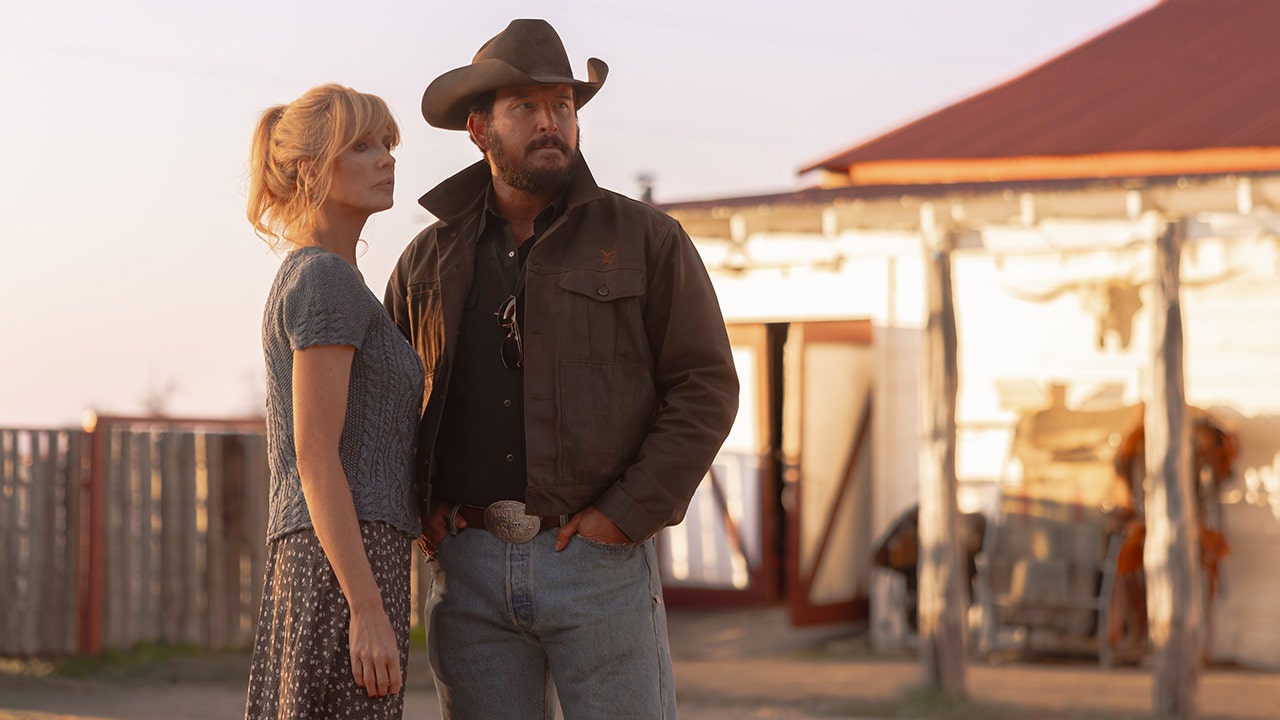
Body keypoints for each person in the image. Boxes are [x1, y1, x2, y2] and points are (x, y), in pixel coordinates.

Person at [384, 18, 740, 720]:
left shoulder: (647, 240)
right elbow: (387, 405)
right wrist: (422, 510)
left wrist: (624, 517)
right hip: (469, 570)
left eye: (562, 105)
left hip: (598, 565)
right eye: (526, 107)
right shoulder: (427, 260)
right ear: (479, 130)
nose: (550, 122)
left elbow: (705, 387)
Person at [244, 83, 423, 719]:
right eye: (363, 146)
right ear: (310, 168)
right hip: (344, 562)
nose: (386, 158)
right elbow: (315, 455)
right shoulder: (325, 277)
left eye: (388, 143)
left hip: (336, 557)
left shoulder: (326, 275)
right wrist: (366, 607)